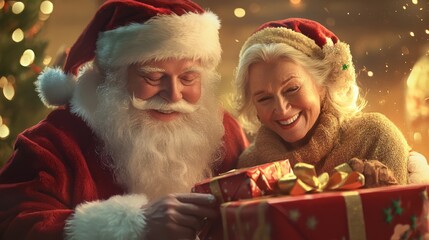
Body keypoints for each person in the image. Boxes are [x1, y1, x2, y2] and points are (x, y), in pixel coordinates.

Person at [0, 1, 249, 239]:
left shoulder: (224, 131)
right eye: (152, 77)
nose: (173, 95)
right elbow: (13, 222)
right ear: (114, 78)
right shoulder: (52, 143)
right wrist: (133, 226)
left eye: (188, 78)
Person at [232, 17, 411, 187]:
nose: (281, 109)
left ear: (323, 84)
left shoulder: (374, 136)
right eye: (264, 98)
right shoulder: (250, 164)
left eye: (292, 89)